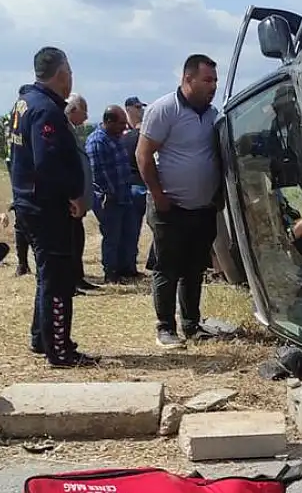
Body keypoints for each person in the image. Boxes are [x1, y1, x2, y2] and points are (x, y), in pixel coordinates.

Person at [8, 46, 98, 368]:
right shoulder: (46, 109)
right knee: (58, 280)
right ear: (62, 75)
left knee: (47, 275)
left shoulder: (24, 103)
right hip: (46, 207)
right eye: (70, 72)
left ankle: (41, 337)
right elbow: (48, 163)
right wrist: (72, 194)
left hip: (30, 202)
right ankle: (59, 350)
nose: (71, 78)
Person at [135, 54, 223, 349]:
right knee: (167, 267)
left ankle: (191, 324)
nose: (213, 86)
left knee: (194, 269)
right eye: (207, 80)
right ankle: (165, 326)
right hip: (169, 208)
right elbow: (143, 155)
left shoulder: (213, 115)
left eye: (215, 81)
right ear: (188, 79)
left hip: (202, 208)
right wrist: (158, 196)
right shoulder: (164, 110)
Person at [85, 105, 133, 283]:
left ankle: (126, 269)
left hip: (123, 195)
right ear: (108, 121)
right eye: (121, 123)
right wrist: (110, 195)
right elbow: (98, 173)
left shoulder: (116, 137)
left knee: (125, 234)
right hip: (108, 199)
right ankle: (111, 273)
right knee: (112, 237)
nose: (124, 127)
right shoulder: (97, 141)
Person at [64, 94, 98, 295]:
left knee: (77, 239)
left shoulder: (71, 130)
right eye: (84, 112)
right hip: (69, 200)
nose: (86, 118)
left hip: (78, 198)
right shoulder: (63, 129)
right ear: (73, 110)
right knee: (70, 242)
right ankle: (71, 281)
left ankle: (79, 277)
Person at [5, 86, 33, 276]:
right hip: (26, 172)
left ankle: (22, 263)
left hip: (15, 171)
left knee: (21, 222)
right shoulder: (26, 115)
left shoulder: (11, 117)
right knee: (24, 222)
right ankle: (23, 263)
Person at [120, 96, 148, 278]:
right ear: (128, 109)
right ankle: (128, 266)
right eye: (138, 107)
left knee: (131, 230)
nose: (141, 110)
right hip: (134, 185)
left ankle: (128, 264)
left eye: (141, 107)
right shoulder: (133, 135)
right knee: (131, 230)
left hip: (136, 185)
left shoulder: (123, 135)